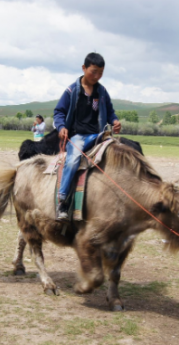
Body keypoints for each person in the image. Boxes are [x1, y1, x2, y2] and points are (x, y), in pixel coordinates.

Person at [53, 52, 121, 221]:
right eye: (94, 71)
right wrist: (61, 126)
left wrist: (115, 121)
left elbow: (110, 111)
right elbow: (59, 112)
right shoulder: (71, 91)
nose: (97, 76)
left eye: (101, 73)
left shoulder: (102, 92)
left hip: (98, 135)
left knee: (118, 151)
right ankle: (63, 201)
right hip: (78, 136)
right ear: (84, 68)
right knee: (73, 159)